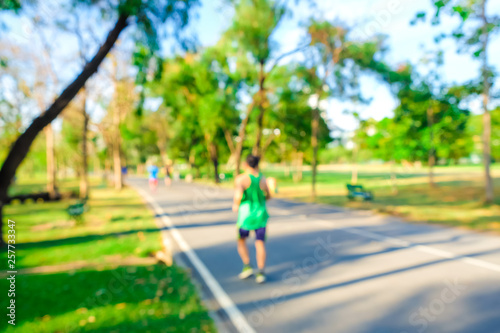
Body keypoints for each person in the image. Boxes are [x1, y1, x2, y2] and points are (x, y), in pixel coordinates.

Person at [232, 154, 271, 284]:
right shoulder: (262, 179)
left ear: (245, 164)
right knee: (260, 243)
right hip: (260, 215)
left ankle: (247, 265)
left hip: (245, 216)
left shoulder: (241, 179)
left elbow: (238, 195)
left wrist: (236, 205)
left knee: (241, 240)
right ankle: (261, 272)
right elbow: (268, 196)